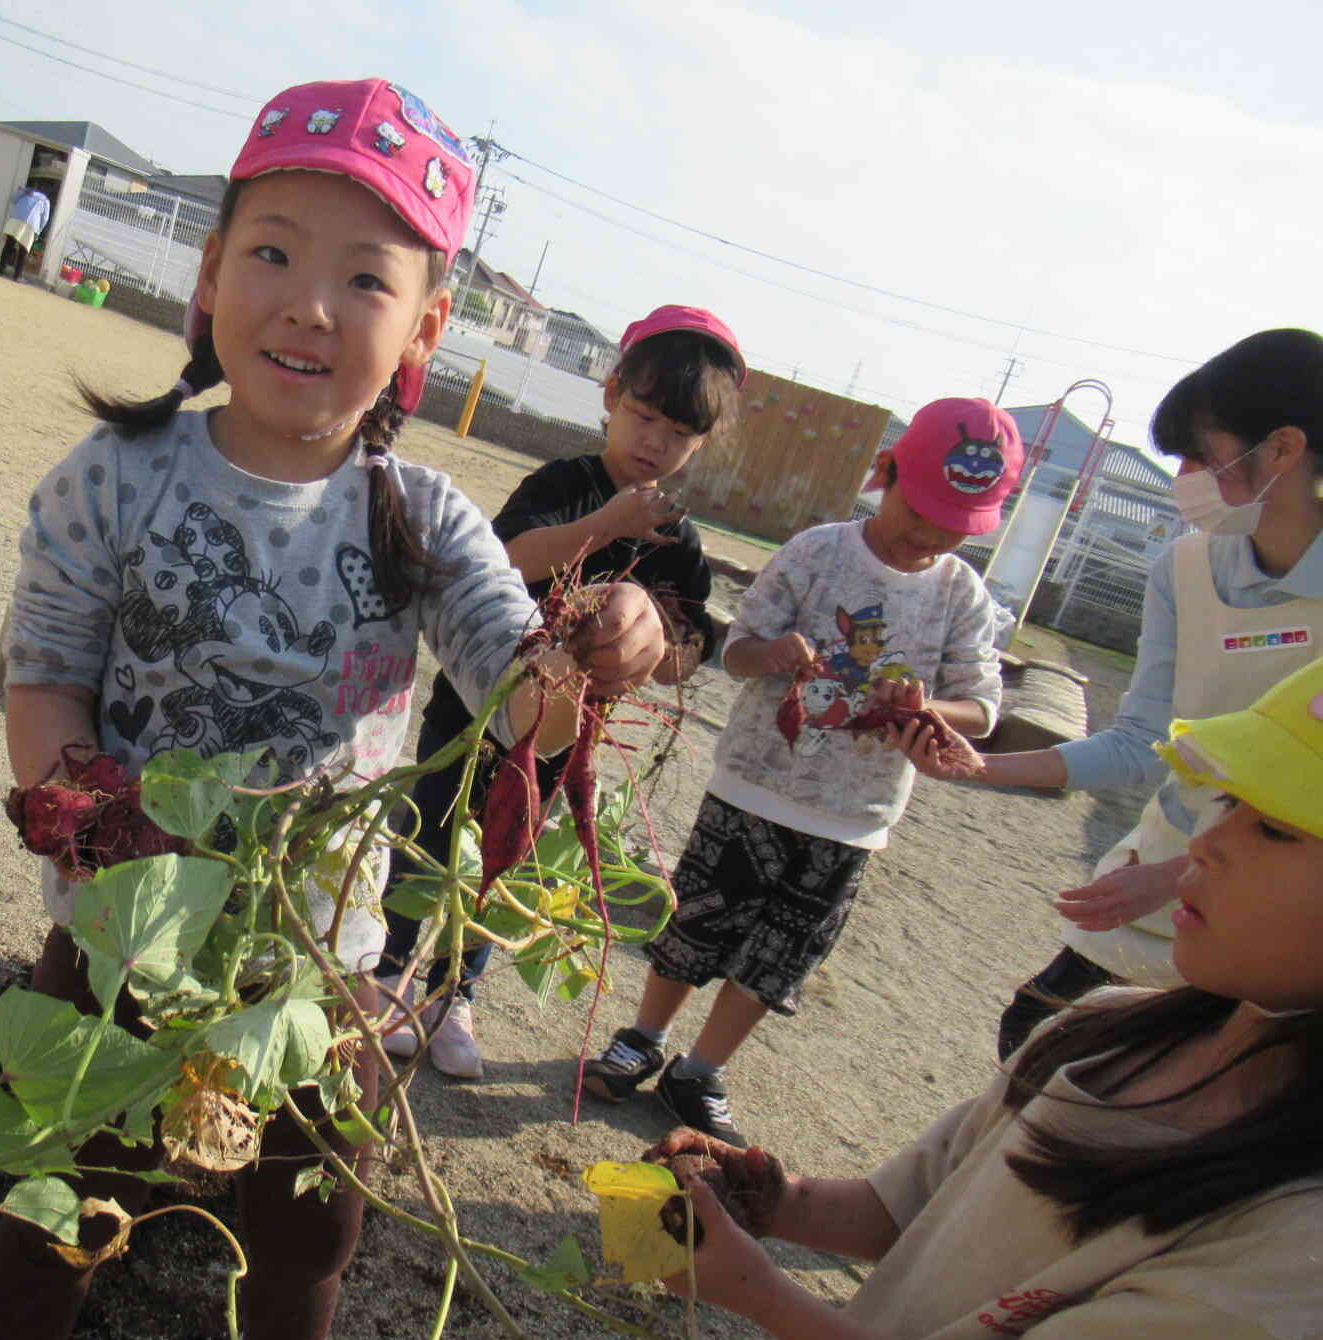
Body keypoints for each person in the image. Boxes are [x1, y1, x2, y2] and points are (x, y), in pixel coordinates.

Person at [0, 78, 671, 1340]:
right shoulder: (113, 480)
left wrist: (601, 642)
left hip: (324, 964)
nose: (308, 305)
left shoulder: (428, 524)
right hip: (127, 936)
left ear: (427, 330)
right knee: (58, 1190)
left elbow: (528, 705)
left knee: (312, 1228)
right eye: (270, 253)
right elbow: (46, 682)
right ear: (207, 279)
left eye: (365, 279)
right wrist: (98, 822)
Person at [659, 653, 1323, 1340]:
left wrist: (767, 1298)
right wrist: (774, 1203)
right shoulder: (1101, 1033)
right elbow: (916, 1210)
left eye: (1277, 830)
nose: (1207, 841)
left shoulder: (1296, 1249)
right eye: (1232, 802)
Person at [581, 399, 1020, 1146]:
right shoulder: (818, 552)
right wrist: (775, 653)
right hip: (752, 783)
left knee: (780, 949)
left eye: (956, 525)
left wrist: (929, 704)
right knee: (697, 921)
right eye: (922, 509)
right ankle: (643, 1036)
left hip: (853, 817)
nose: (932, 534)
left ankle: (699, 1069)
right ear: (884, 473)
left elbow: (981, 706)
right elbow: (736, 650)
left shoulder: (962, 596)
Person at [905, 328, 1323, 1061]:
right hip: (1153, 883)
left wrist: (1181, 876)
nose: (1185, 477)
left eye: (1204, 455)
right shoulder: (1183, 568)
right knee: (1035, 1037)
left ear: (1283, 450)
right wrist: (978, 766)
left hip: (1268, 923)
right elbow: (1142, 741)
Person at [374, 304, 744, 1078]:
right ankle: (392, 973)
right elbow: (507, 557)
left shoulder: (679, 536)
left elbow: (689, 648)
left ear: (700, 444)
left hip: (565, 736)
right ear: (611, 396)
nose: (654, 443)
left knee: (504, 857)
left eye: (678, 434)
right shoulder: (568, 484)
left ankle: (456, 993)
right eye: (644, 417)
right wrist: (606, 527)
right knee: (431, 834)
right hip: (475, 708)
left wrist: (646, 655)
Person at [0, 179, 52, 282]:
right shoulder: (45, 201)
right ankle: (17, 276)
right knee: (23, 251)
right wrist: (38, 231)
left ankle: (1, 270)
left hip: (16, 220)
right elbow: (45, 219)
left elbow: (13, 199)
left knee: (8, 246)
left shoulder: (26, 193)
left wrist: (22, 191)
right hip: (31, 225)